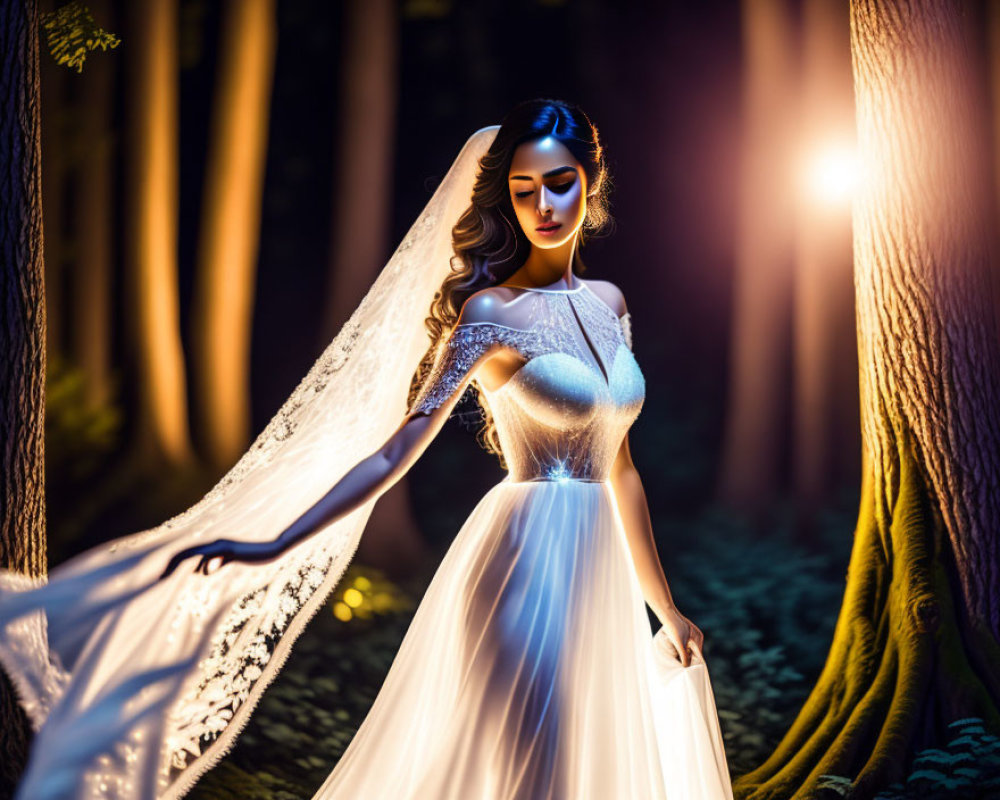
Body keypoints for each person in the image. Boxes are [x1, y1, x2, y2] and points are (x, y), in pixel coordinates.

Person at [0, 99, 734, 800]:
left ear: (591, 180)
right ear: (505, 198)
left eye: (560, 184)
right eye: (523, 189)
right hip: (522, 558)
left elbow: (621, 470)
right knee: (529, 751)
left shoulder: (611, 306)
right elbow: (395, 452)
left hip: (599, 568)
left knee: (584, 759)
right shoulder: (489, 312)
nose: (543, 206)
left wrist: (662, 608)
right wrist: (276, 541)